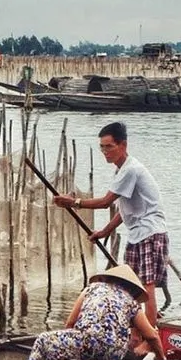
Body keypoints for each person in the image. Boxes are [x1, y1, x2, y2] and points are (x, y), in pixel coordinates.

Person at [53, 121, 168, 326]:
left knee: (147, 286)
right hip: (136, 234)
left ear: (122, 146)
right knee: (131, 286)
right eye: (102, 147)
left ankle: (150, 337)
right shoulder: (120, 171)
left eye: (109, 147)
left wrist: (74, 203)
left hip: (150, 232)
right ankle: (135, 333)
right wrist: (104, 232)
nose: (105, 152)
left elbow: (106, 203)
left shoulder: (131, 170)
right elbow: (125, 210)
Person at [28, 264, 165, 360]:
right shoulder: (131, 302)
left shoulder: (92, 288)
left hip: (88, 344)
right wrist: (161, 359)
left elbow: (70, 323)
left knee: (42, 340)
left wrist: (68, 349)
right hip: (115, 353)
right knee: (107, 345)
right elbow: (152, 336)